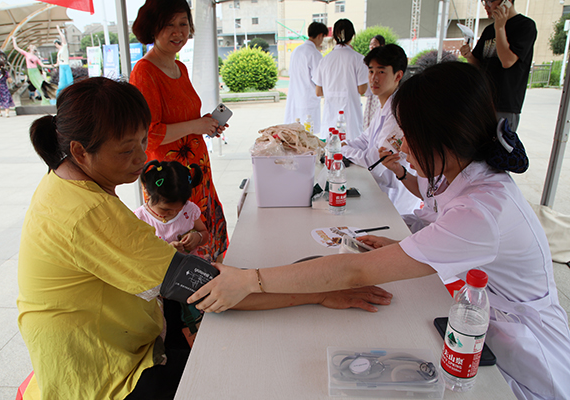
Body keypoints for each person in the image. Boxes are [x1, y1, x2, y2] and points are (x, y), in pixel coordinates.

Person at [189, 62, 570, 400]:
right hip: (477, 317)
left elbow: (354, 271)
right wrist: (408, 246)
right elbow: (442, 220)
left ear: (441, 136)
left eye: (408, 135)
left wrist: (251, 279)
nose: (402, 146)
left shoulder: (481, 210)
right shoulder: (468, 174)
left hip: (521, 351)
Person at [17, 76, 392, 399]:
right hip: (106, 376)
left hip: (114, 344)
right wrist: (318, 291)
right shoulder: (90, 212)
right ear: (80, 151)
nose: (140, 158)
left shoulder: (66, 182)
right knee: (250, 374)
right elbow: (212, 289)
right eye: (127, 150)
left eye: (143, 142)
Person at [130, 0, 229, 262]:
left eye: (183, 24)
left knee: (204, 233)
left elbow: (184, 119)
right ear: (153, 28)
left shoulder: (180, 67)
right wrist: (196, 125)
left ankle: (213, 279)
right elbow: (148, 134)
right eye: (169, 25)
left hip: (196, 169)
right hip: (168, 178)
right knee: (178, 246)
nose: (178, 32)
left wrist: (206, 122)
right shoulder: (144, 72)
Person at [342, 44, 421, 217]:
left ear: (398, 75)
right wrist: (346, 146)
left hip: (394, 198)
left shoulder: (399, 113)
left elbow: (376, 160)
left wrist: (345, 150)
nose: (374, 78)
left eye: (381, 72)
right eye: (371, 71)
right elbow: (364, 139)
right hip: (378, 189)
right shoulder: (384, 105)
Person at [460, 0, 536, 131]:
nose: (487, 6)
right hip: (483, 101)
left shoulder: (525, 26)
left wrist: (500, 28)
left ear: (507, 2)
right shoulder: (489, 30)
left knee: (499, 143)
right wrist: (469, 56)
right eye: (484, 2)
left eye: (490, 1)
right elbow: (478, 66)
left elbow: (507, 61)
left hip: (504, 106)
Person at [135, 160, 210, 259]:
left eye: (179, 208)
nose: (173, 212)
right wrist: (165, 250)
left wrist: (198, 237)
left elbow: (204, 233)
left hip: (189, 265)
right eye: (165, 209)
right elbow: (138, 252)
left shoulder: (189, 210)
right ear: (148, 192)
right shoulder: (139, 218)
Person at [313, 19, 368, 141]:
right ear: (352, 35)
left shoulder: (325, 60)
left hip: (330, 118)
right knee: (352, 149)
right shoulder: (359, 59)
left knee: (331, 149)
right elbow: (362, 90)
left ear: (334, 37)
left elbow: (318, 92)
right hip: (351, 118)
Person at [283, 22, 328, 132]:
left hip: (294, 98)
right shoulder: (315, 54)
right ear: (320, 35)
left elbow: (291, 73)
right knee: (309, 134)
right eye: (323, 37)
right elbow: (319, 80)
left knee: (295, 134)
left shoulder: (296, 51)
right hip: (308, 101)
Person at [12, 36, 55, 105]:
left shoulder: (36, 57)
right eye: (33, 48)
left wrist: (52, 65)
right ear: (30, 49)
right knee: (38, 85)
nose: (34, 49)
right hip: (31, 71)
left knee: (42, 84)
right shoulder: (27, 54)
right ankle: (44, 99)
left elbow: (42, 65)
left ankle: (45, 99)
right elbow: (16, 48)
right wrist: (14, 40)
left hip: (36, 71)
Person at [362, 34, 385, 131]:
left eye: (374, 44)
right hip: (372, 96)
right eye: (371, 72)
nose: (372, 46)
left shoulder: (385, 61)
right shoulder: (368, 61)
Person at [54, 24, 74, 96]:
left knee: (70, 82)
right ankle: (59, 96)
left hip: (65, 65)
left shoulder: (64, 48)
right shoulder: (59, 52)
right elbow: (57, 63)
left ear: (56, 43)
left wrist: (58, 30)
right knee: (61, 84)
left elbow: (63, 38)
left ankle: (71, 94)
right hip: (61, 66)